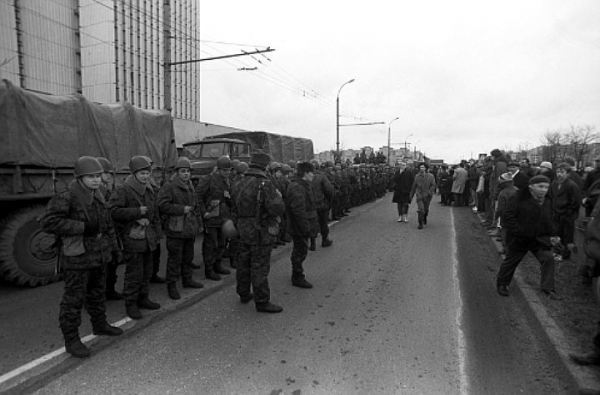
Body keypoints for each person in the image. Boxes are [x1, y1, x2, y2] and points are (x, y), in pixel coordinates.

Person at [40, 156, 123, 358]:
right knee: (73, 300)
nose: (96, 180)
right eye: (91, 177)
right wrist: (82, 227)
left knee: (97, 294)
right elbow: (48, 222)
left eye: (98, 176)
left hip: (99, 255)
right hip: (77, 258)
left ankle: (100, 324)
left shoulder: (99, 194)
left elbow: (107, 224)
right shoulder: (67, 197)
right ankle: (72, 340)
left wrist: (114, 249)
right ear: (79, 177)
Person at [231, 151, 285, 313]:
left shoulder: (238, 182)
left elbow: (232, 206)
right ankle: (262, 301)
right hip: (260, 230)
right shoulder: (265, 184)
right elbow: (277, 208)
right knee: (259, 266)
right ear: (265, 166)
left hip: (242, 228)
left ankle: (243, 293)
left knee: (243, 263)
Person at [109, 155, 162, 320]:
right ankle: (130, 304)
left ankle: (143, 298)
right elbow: (113, 211)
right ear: (134, 173)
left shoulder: (148, 189)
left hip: (148, 238)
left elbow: (155, 213)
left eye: (147, 173)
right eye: (142, 173)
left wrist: (156, 232)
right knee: (134, 273)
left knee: (147, 271)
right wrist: (136, 213)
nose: (145, 176)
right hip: (132, 238)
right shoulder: (123, 190)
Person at [496, 175, 561, 300]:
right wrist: (518, 231)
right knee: (511, 261)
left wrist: (554, 234)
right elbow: (508, 216)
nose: (543, 190)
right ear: (531, 186)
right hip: (520, 238)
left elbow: (548, 219)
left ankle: (548, 288)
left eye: (546, 187)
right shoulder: (518, 198)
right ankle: (502, 284)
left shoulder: (547, 201)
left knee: (547, 259)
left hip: (539, 238)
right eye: (540, 186)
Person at [158, 157, 204, 300]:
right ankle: (171, 285)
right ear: (177, 172)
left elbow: (195, 206)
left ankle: (187, 279)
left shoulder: (190, 185)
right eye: (183, 171)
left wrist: (199, 223)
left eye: (188, 171)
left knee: (188, 257)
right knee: (174, 259)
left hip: (189, 228)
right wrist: (181, 209)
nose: (186, 174)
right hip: (176, 229)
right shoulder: (169, 186)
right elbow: (162, 205)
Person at [196, 155, 233, 281]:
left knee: (221, 244)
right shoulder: (208, 179)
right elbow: (198, 197)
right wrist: (203, 212)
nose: (227, 173)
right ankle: (209, 269)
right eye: (224, 170)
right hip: (211, 217)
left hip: (223, 218)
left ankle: (218, 265)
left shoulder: (227, 181)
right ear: (218, 169)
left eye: (228, 170)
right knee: (211, 244)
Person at [286, 161, 318, 288]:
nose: (313, 175)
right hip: (298, 225)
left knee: (300, 249)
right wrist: (306, 228)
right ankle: (297, 276)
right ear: (305, 173)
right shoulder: (297, 187)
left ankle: (297, 273)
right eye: (311, 173)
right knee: (300, 250)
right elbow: (298, 210)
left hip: (302, 224)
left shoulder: (303, 185)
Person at [96, 157, 123, 301]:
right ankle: (94, 299)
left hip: (111, 235)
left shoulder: (107, 190)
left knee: (112, 265)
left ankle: (109, 290)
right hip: (100, 239)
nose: (110, 176)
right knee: (100, 271)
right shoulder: (95, 192)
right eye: (107, 173)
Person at [549, 162, 581, 260]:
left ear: (567, 174)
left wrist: (567, 213)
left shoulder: (572, 186)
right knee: (557, 234)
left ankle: (565, 254)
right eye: (558, 172)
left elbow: (575, 202)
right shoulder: (554, 184)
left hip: (567, 215)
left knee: (567, 235)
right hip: (556, 214)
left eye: (562, 172)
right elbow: (551, 197)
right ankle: (557, 251)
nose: (559, 174)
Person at [310, 159, 334, 247]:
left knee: (312, 223)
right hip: (321, 204)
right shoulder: (321, 176)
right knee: (323, 223)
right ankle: (325, 240)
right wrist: (329, 201)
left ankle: (312, 243)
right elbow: (329, 190)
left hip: (310, 205)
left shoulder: (304, 178)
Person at [409, 163, 436, 229]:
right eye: (420, 167)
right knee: (421, 209)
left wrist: (429, 192)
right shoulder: (417, 176)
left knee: (426, 209)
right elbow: (414, 186)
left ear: (426, 168)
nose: (422, 169)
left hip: (427, 196)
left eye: (423, 167)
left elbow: (433, 185)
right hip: (419, 195)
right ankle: (420, 222)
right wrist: (411, 196)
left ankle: (424, 217)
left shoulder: (431, 176)